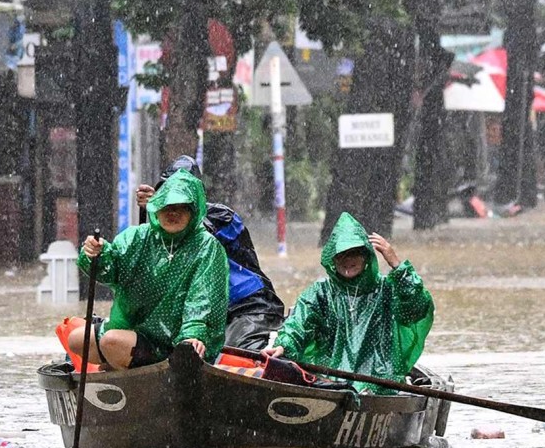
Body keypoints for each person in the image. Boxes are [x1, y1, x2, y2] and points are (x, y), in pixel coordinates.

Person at [71, 167, 230, 371]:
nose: (172, 213)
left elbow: (202, 299)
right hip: (139, 330)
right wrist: (96, 253)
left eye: (181, 207)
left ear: (193, 211)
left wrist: (193, 334)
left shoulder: (206, 246)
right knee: (77, 339)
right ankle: (122, 365)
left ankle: (136, 369)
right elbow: (110, 269)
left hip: (175, 341)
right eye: (166, 206)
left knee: (111, 341)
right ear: (156, 208)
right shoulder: (138, 237)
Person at [266, 212, 434, 393]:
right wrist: (283, 345)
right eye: (341, 255)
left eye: (354, 253)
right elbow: (298, 324)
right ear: (333, 259)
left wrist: (396, 264)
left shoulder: (387, 289)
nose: (348, 261)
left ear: (366, 256)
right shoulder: (320, 292)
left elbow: (418, 307)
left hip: (378, 382)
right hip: (328, 381)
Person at [132, 160, 286, 352]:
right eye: (168, 195)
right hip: (205, 313)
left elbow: (201, 232)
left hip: (248, 307)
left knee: (234, 354)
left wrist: (159, 203)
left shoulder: (223, 217)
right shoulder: (158, 234)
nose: (173, 207)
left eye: (180, 197)